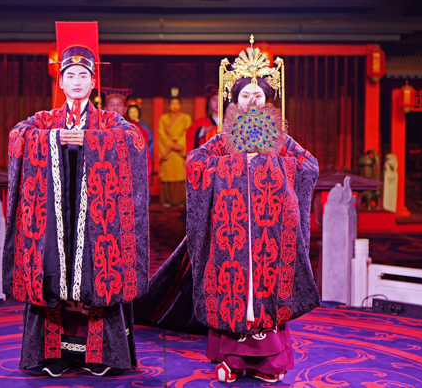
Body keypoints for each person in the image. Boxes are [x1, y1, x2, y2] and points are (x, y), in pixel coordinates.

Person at [137, 44, 319, 384]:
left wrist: (270, 166)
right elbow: (196, 164)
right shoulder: (222, 139)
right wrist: (233, 167)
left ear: (268, 100)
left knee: (265, 294)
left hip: (268, 234)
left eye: (258, 95)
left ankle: (268, 363)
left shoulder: (281, 139)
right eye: (245, 95)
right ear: (234, 101)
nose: (252, 101)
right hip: (231, 233)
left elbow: (308, 166)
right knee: (234, 292)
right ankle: (232, 361)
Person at [2, 22, 150, 377]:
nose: (77, 81)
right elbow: (17, 136)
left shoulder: (108, 121)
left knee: (94, 277)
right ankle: (54, 354)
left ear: (93, 82)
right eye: (70, 75)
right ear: (61, 82)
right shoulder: (45, 120)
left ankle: (99, 354)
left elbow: (134, 141)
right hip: (54, 222)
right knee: (54, 275)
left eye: (84, 75)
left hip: (97, 221)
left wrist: (91, 141)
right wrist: (53, 139)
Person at [157, 92, 192, 206]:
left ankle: (181, 200)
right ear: (169, 106)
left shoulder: (186, 118)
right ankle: (167, 200)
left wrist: (179, 145)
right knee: (168, 175)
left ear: (180, 105)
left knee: (180, 175)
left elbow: (188, 132)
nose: (175, 106)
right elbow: (161, 134)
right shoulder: (163, 118)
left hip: (180, 151)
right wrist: (170, 144)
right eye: (172, 104)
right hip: (168, 151)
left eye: (177, 104)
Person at [185, 84, 221, 153]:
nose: (217, 102)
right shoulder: (202, 122)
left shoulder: (228, 121)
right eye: (214, 99)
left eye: (220, 100)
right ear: (209, 103)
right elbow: (190, 133)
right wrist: (203, 130)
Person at [126, 102, 152, 183]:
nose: (133, 114)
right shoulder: (124, 127)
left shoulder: (144, 128)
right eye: (131, 112)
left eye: (135, 112)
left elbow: (149, 144)